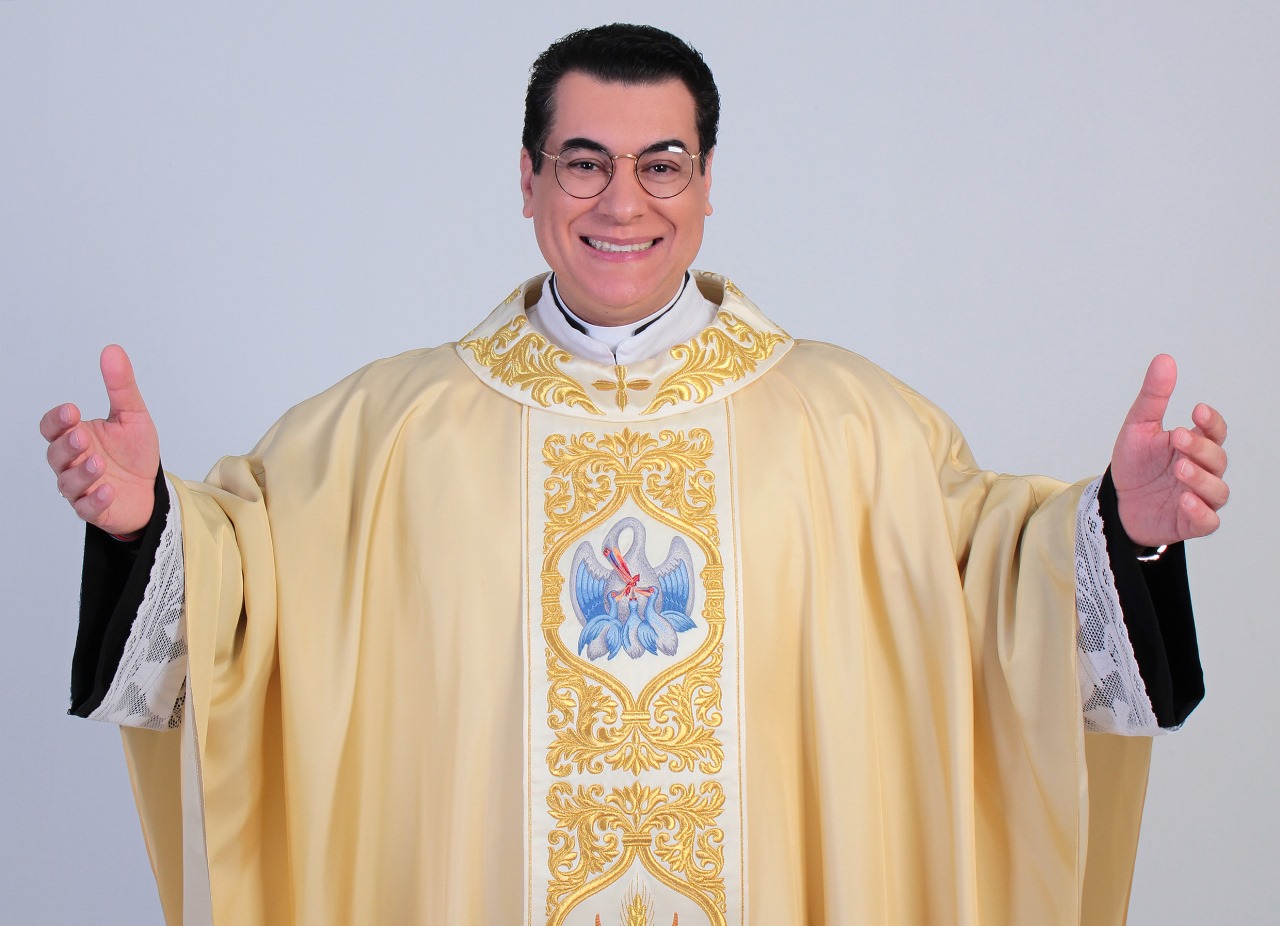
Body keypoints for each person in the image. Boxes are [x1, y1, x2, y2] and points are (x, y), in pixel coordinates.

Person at [41, 23, 1227, 926]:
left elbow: (996, 593)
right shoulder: (383, 432)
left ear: (707, 181)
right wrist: (147, 523)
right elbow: (240, 609)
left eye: (662, 165)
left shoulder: (853, 425)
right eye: (583, 163)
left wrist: (1121, 531)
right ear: (526, 179)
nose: (623, 202)